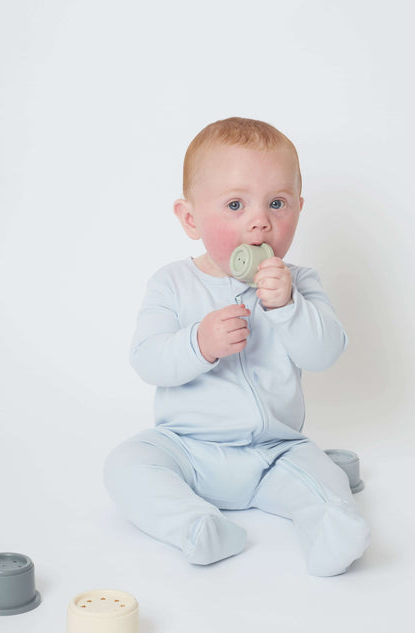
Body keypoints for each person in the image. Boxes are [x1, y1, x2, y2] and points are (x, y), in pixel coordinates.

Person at [104, 117, 370, 576]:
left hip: (275, 453)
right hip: (188, 450)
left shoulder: (300, 284)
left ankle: (334, 531)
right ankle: (194, 526)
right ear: (190, 218)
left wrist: (287, 306)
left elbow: (324, 353)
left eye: (277, 203)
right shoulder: (172, 284)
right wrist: (199, 343)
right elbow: (147, 359)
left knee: (322, 477)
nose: (259, 221)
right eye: (234, 204)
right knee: (126, 464)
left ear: (299, 210)